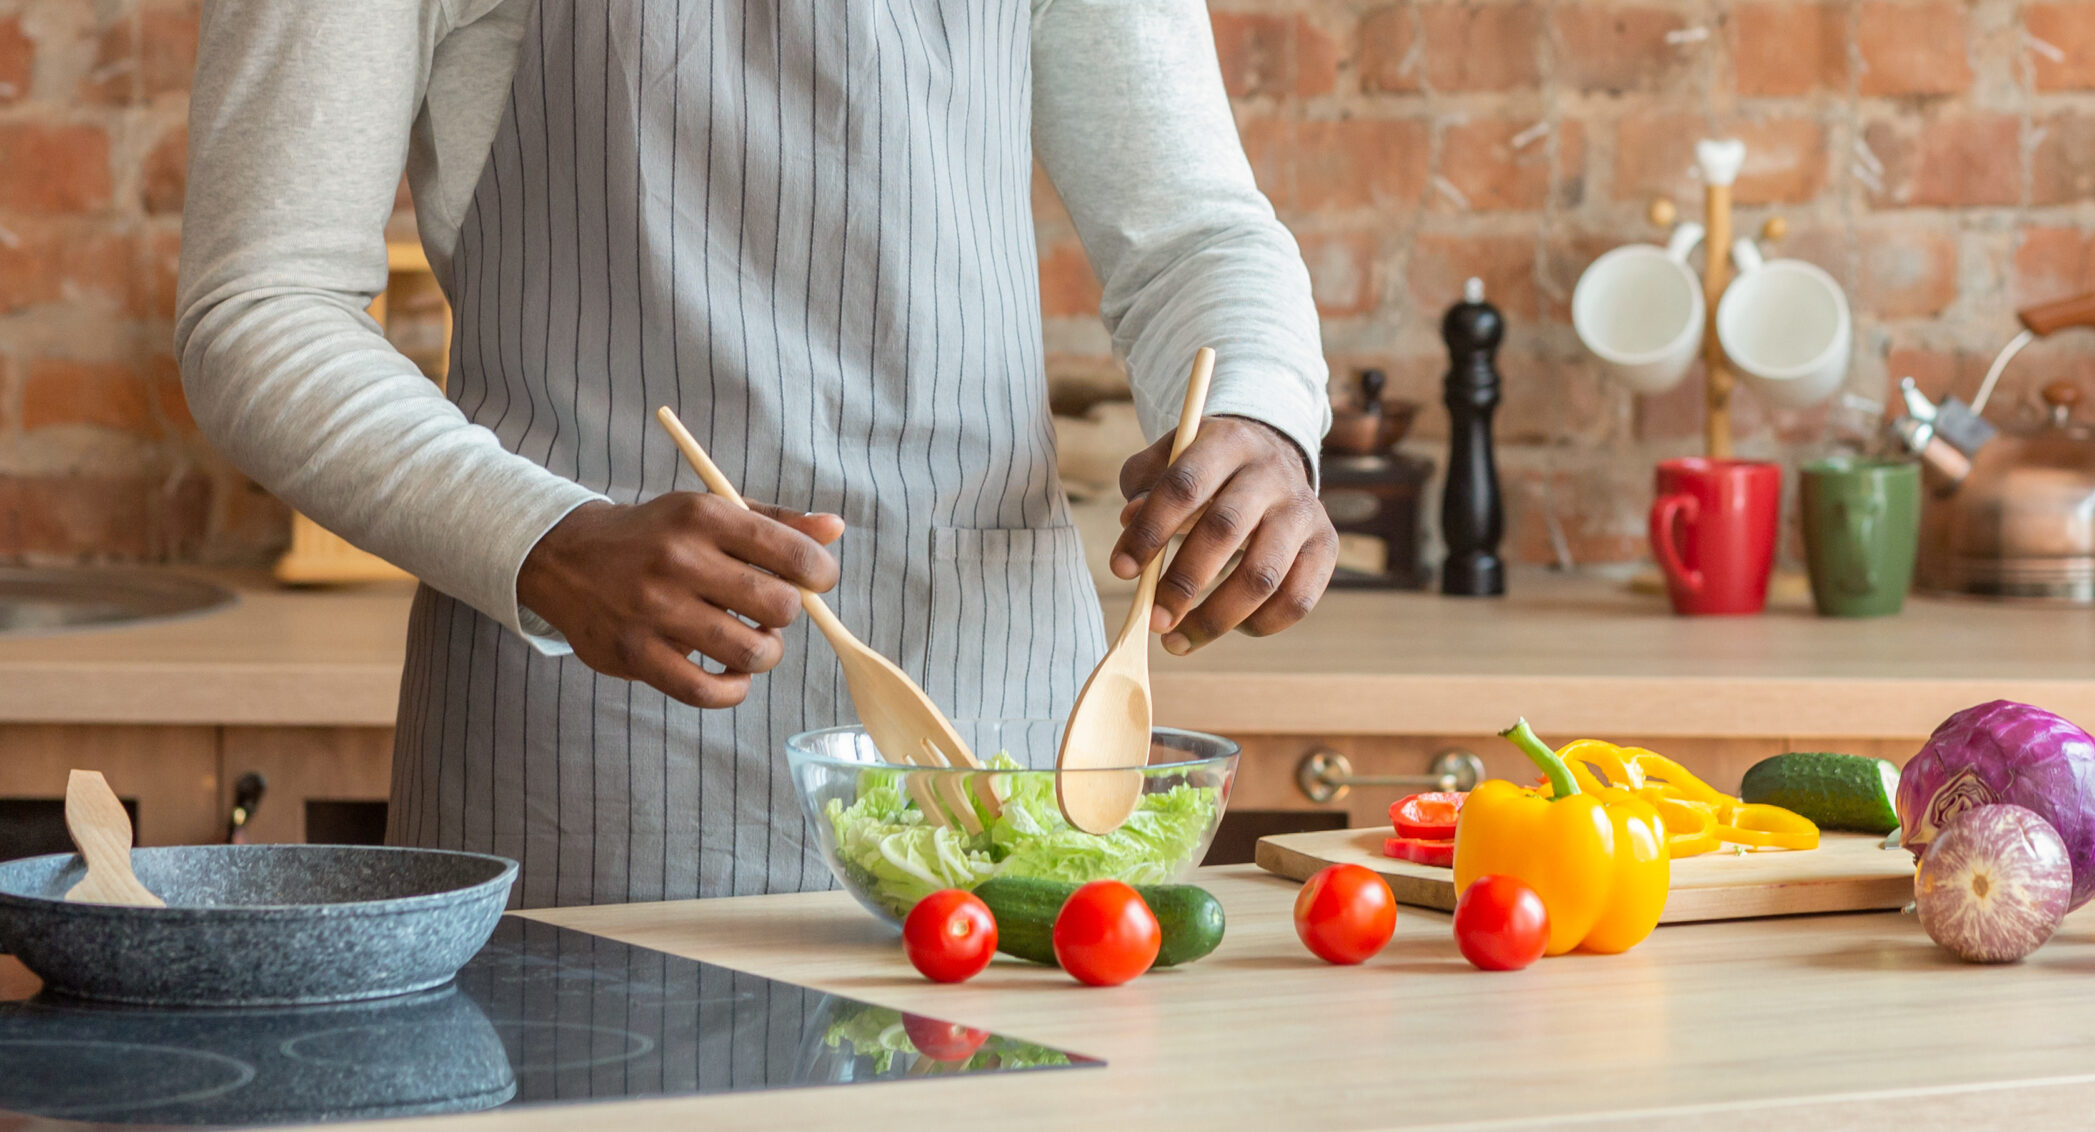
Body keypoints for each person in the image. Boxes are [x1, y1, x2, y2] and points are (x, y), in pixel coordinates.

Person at [175, 0, 1336, 907]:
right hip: (595, 769)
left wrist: (1259, 416)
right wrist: (543, 540)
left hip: (1009, 753)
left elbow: (1194, 232)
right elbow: (263, 305)